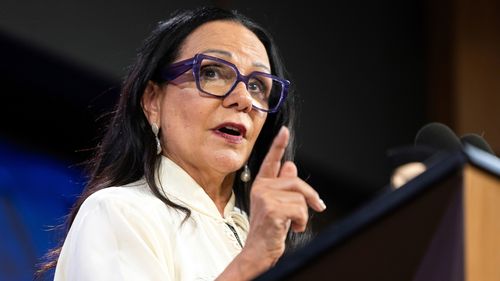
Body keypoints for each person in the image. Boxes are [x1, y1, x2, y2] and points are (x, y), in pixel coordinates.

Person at [38, 6, 326, 281]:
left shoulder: (269, 241)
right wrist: (250, 263)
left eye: (257, 85)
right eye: (211, 72)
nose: (243, 99)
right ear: (152, 101)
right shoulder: (119, 212)